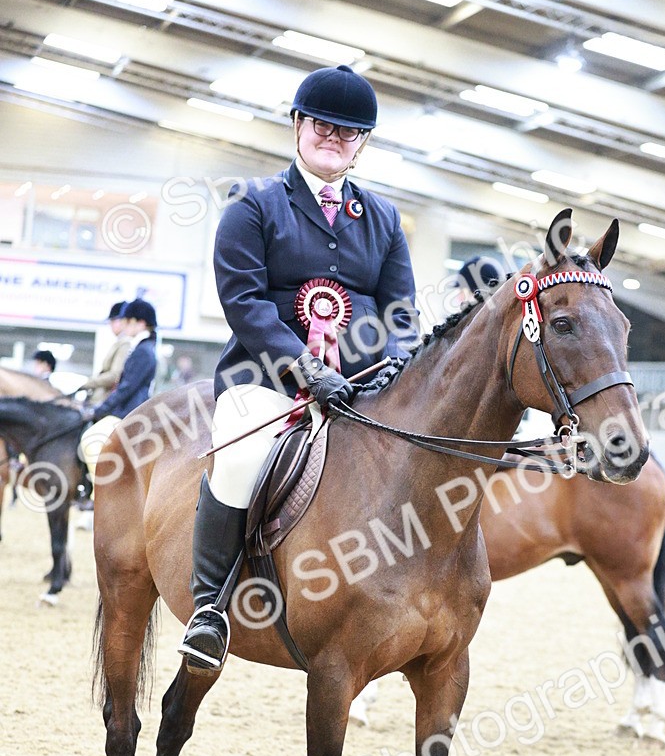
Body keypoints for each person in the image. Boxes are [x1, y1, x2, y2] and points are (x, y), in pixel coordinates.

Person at [179, 63, 418, 671]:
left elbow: (401, 313)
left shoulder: (386, 220)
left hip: (362, 390)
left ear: (362, 143)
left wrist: (391, 369)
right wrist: (306, 370)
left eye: (349, 131)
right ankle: (210, 610)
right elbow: (246, 305)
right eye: (323, 125)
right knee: (236, 458)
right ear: (297, 126)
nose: (334, 137)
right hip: (264, 382)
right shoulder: (253, 206)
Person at [78, 299, 158, 495]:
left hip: (129, 412)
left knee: (90, 438)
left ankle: (103, 494)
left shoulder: (143, 352)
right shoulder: (140, 348)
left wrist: (100, 409)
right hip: (125, 409)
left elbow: (126, 389)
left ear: (140, 323)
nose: (125, 326)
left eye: (128, 322)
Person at [82, 302, 131, 405]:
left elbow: (114, 375)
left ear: (123, 321)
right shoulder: (120, 342)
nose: (110, 324)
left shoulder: (125, 344)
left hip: (106, 399)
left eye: (113, 321)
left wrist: (88, 383)